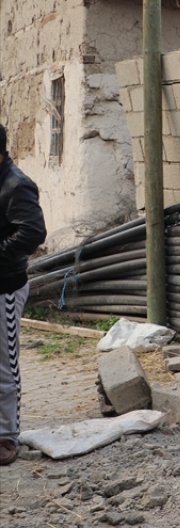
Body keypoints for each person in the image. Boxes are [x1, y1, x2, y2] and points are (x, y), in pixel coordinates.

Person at [0, 123, 46, 466]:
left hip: (5, 288)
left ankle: (6, 436)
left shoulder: (16, 185)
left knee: (4, 365)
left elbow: (32, 232)